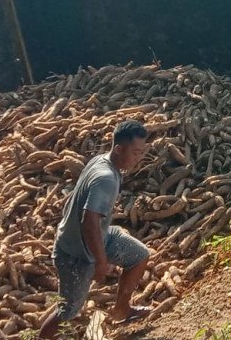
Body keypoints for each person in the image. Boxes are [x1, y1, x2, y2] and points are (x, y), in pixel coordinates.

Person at [39, 120, 152, 338]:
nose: (139, 158)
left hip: (96, 236)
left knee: (139, 255)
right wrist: (100, 261)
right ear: (119, 149)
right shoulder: (106, 178)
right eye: (136, 152)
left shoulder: (103, 161)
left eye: (142, 152)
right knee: (68, 310)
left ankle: (122, 310)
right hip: (75, 253)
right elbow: (88, 221)